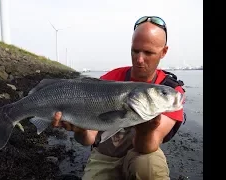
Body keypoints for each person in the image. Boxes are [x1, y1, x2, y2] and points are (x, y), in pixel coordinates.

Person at [52, 16, 186, 180]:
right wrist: (80, 130)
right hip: (104, 156)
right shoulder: (109, 80)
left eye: (148, 52)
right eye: (135, 51)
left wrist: (146, 130)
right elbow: (88, 139)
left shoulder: (171, 92)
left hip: (142, 154)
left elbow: (148, 147)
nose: (139, 60)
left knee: (148, 167)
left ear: (164, 52)